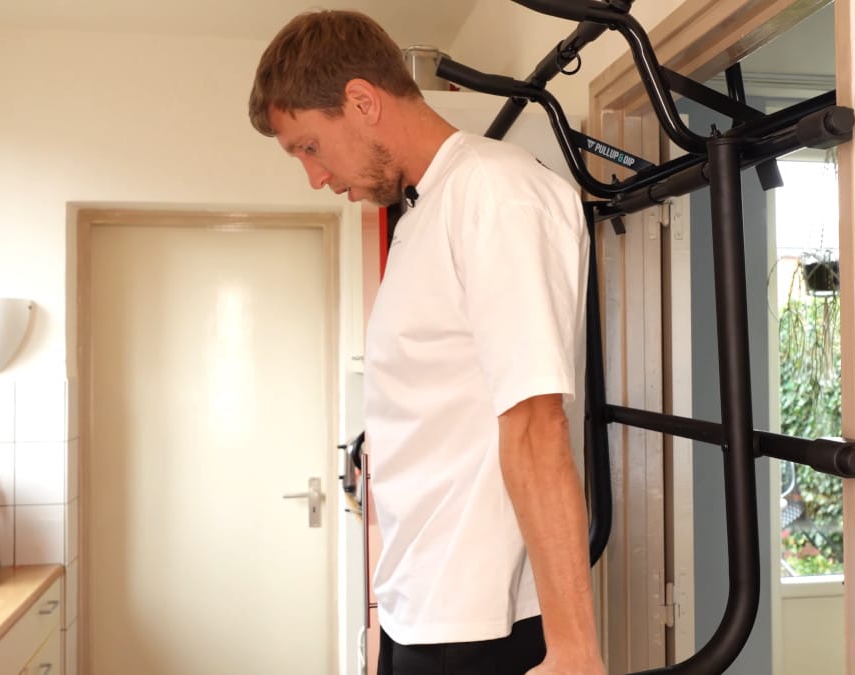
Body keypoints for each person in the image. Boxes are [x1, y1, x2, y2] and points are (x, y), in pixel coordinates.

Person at [249, 10, 604, 675]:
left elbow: (536, 424)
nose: (314, 177)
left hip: (479, 631)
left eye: (308, 146)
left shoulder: (496, 193)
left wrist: (576, 651)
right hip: (422, 611)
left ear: (361, 101)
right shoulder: (421, 210)